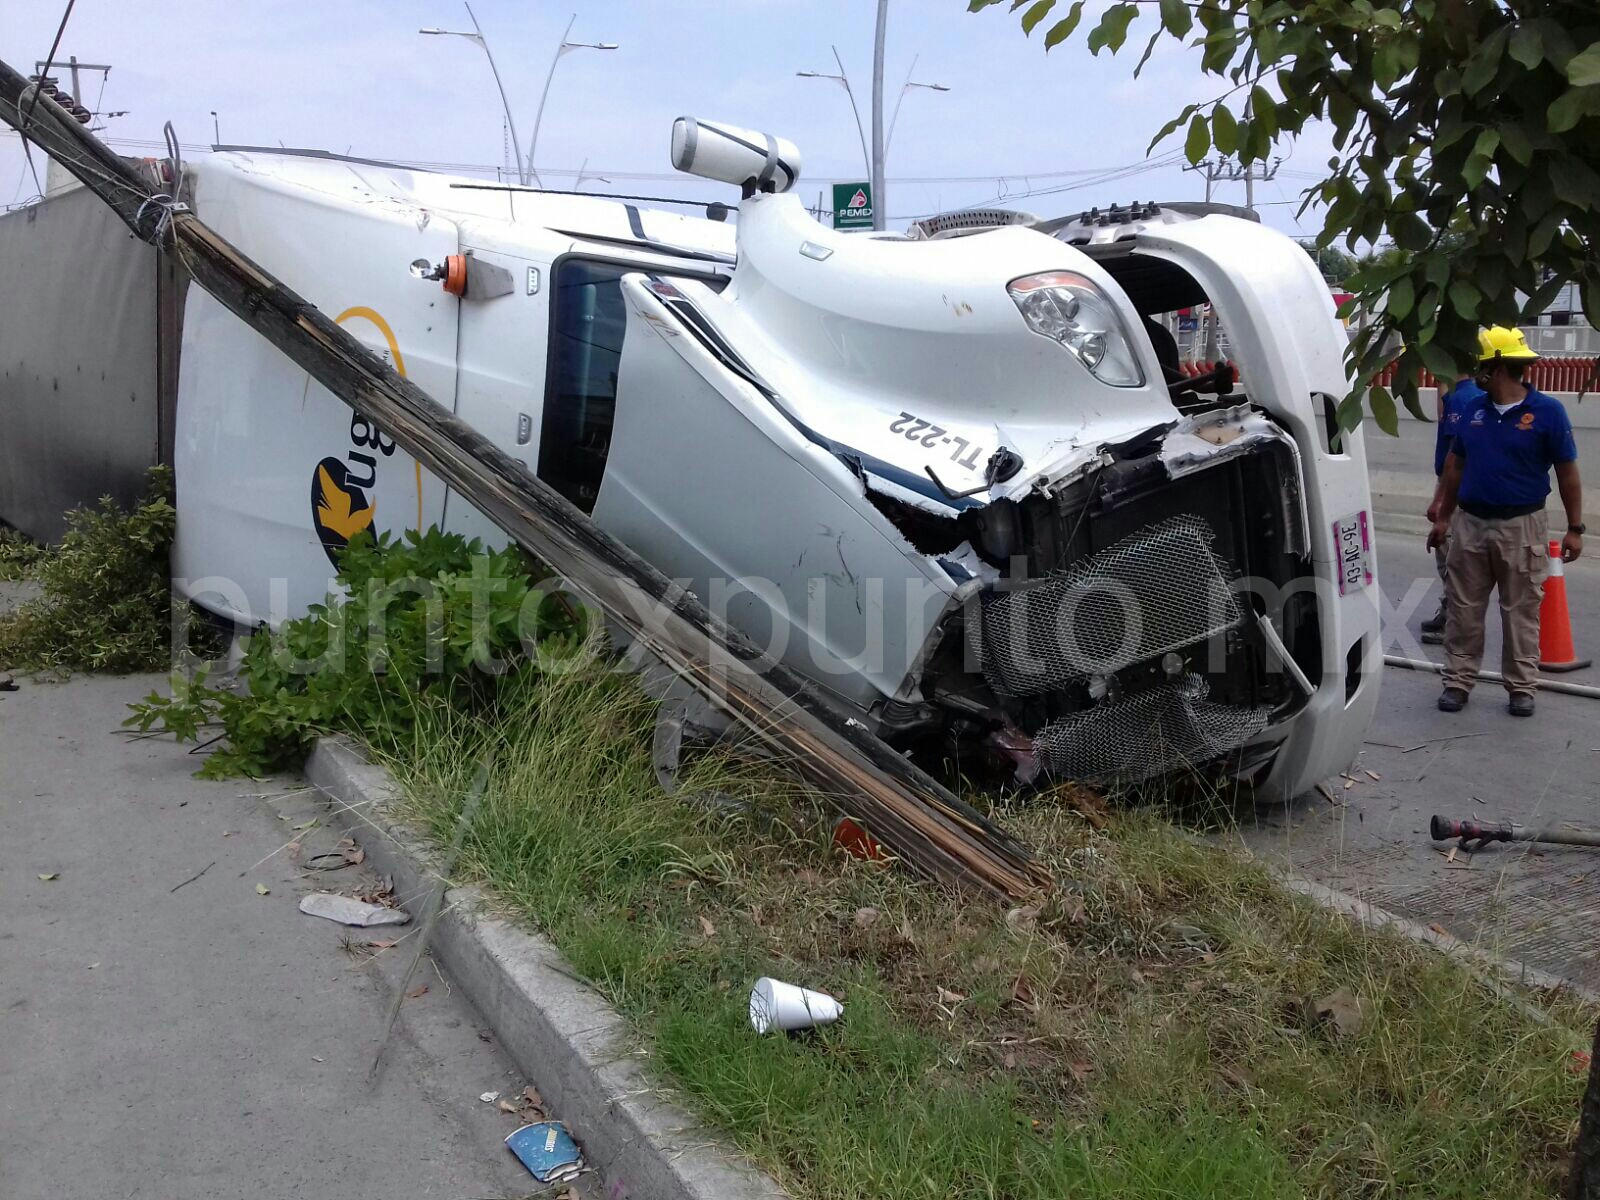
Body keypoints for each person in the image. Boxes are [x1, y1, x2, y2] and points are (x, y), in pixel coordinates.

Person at [1427, 326, 1584, 716]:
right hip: (1471, 524)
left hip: (1523, 526)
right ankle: (1458, 681)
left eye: (1483, 365)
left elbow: (1567, 472)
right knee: (1464, 609)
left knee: (1521, 612)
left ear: (1497, 368)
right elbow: (1455, 465)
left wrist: (1575, 528)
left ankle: (1521, 687)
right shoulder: (1473, 410)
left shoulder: (1548, 413)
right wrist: (1443, 518)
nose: (1478, 371)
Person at [1420, 371, 1486, 644]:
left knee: (1450, 557)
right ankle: (1450, 613)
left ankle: (1453, 621)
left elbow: (1453, 458)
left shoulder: (1461, 401)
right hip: (1470, 486)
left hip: (1454, 486)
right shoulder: (1471, 396)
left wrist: (1439, 500)